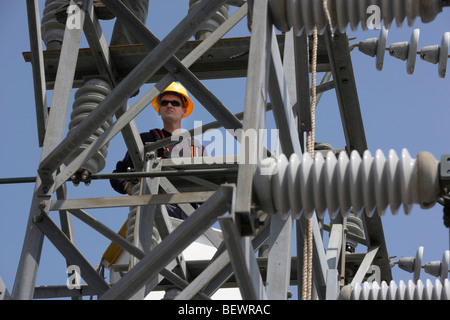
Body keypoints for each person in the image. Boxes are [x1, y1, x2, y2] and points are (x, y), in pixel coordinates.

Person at [110, 82, 206, 220]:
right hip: (154, 209)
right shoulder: (147, 140)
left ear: (184, 111)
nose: (169, 105)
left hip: (189, 217)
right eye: (165, 102)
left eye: (175, 103)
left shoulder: (197, 150)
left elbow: (209, 191)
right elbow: (118, 174)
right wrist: (129, 187)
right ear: (159, 110)